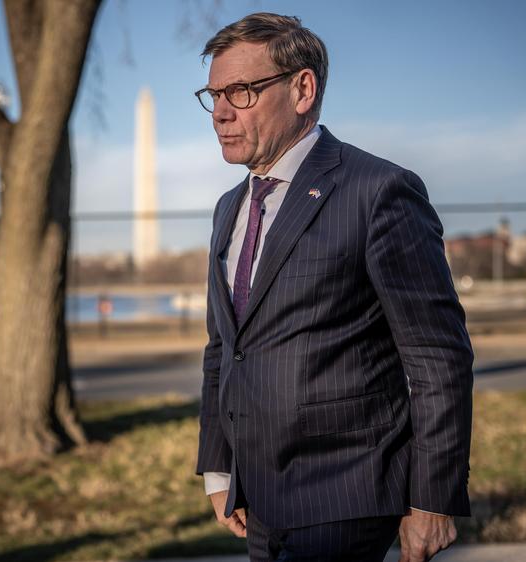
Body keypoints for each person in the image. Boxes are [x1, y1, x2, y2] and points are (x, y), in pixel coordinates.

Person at [193, 13, 474, 562]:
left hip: (345, 496)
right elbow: (224, 349)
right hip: (257, 500)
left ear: (302, 89)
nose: (220, 111)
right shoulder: (230, 208)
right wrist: (218, 466)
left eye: (241, 92)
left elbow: (438, 355)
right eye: (213, 94)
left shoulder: (378, 191)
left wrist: (433, 499)